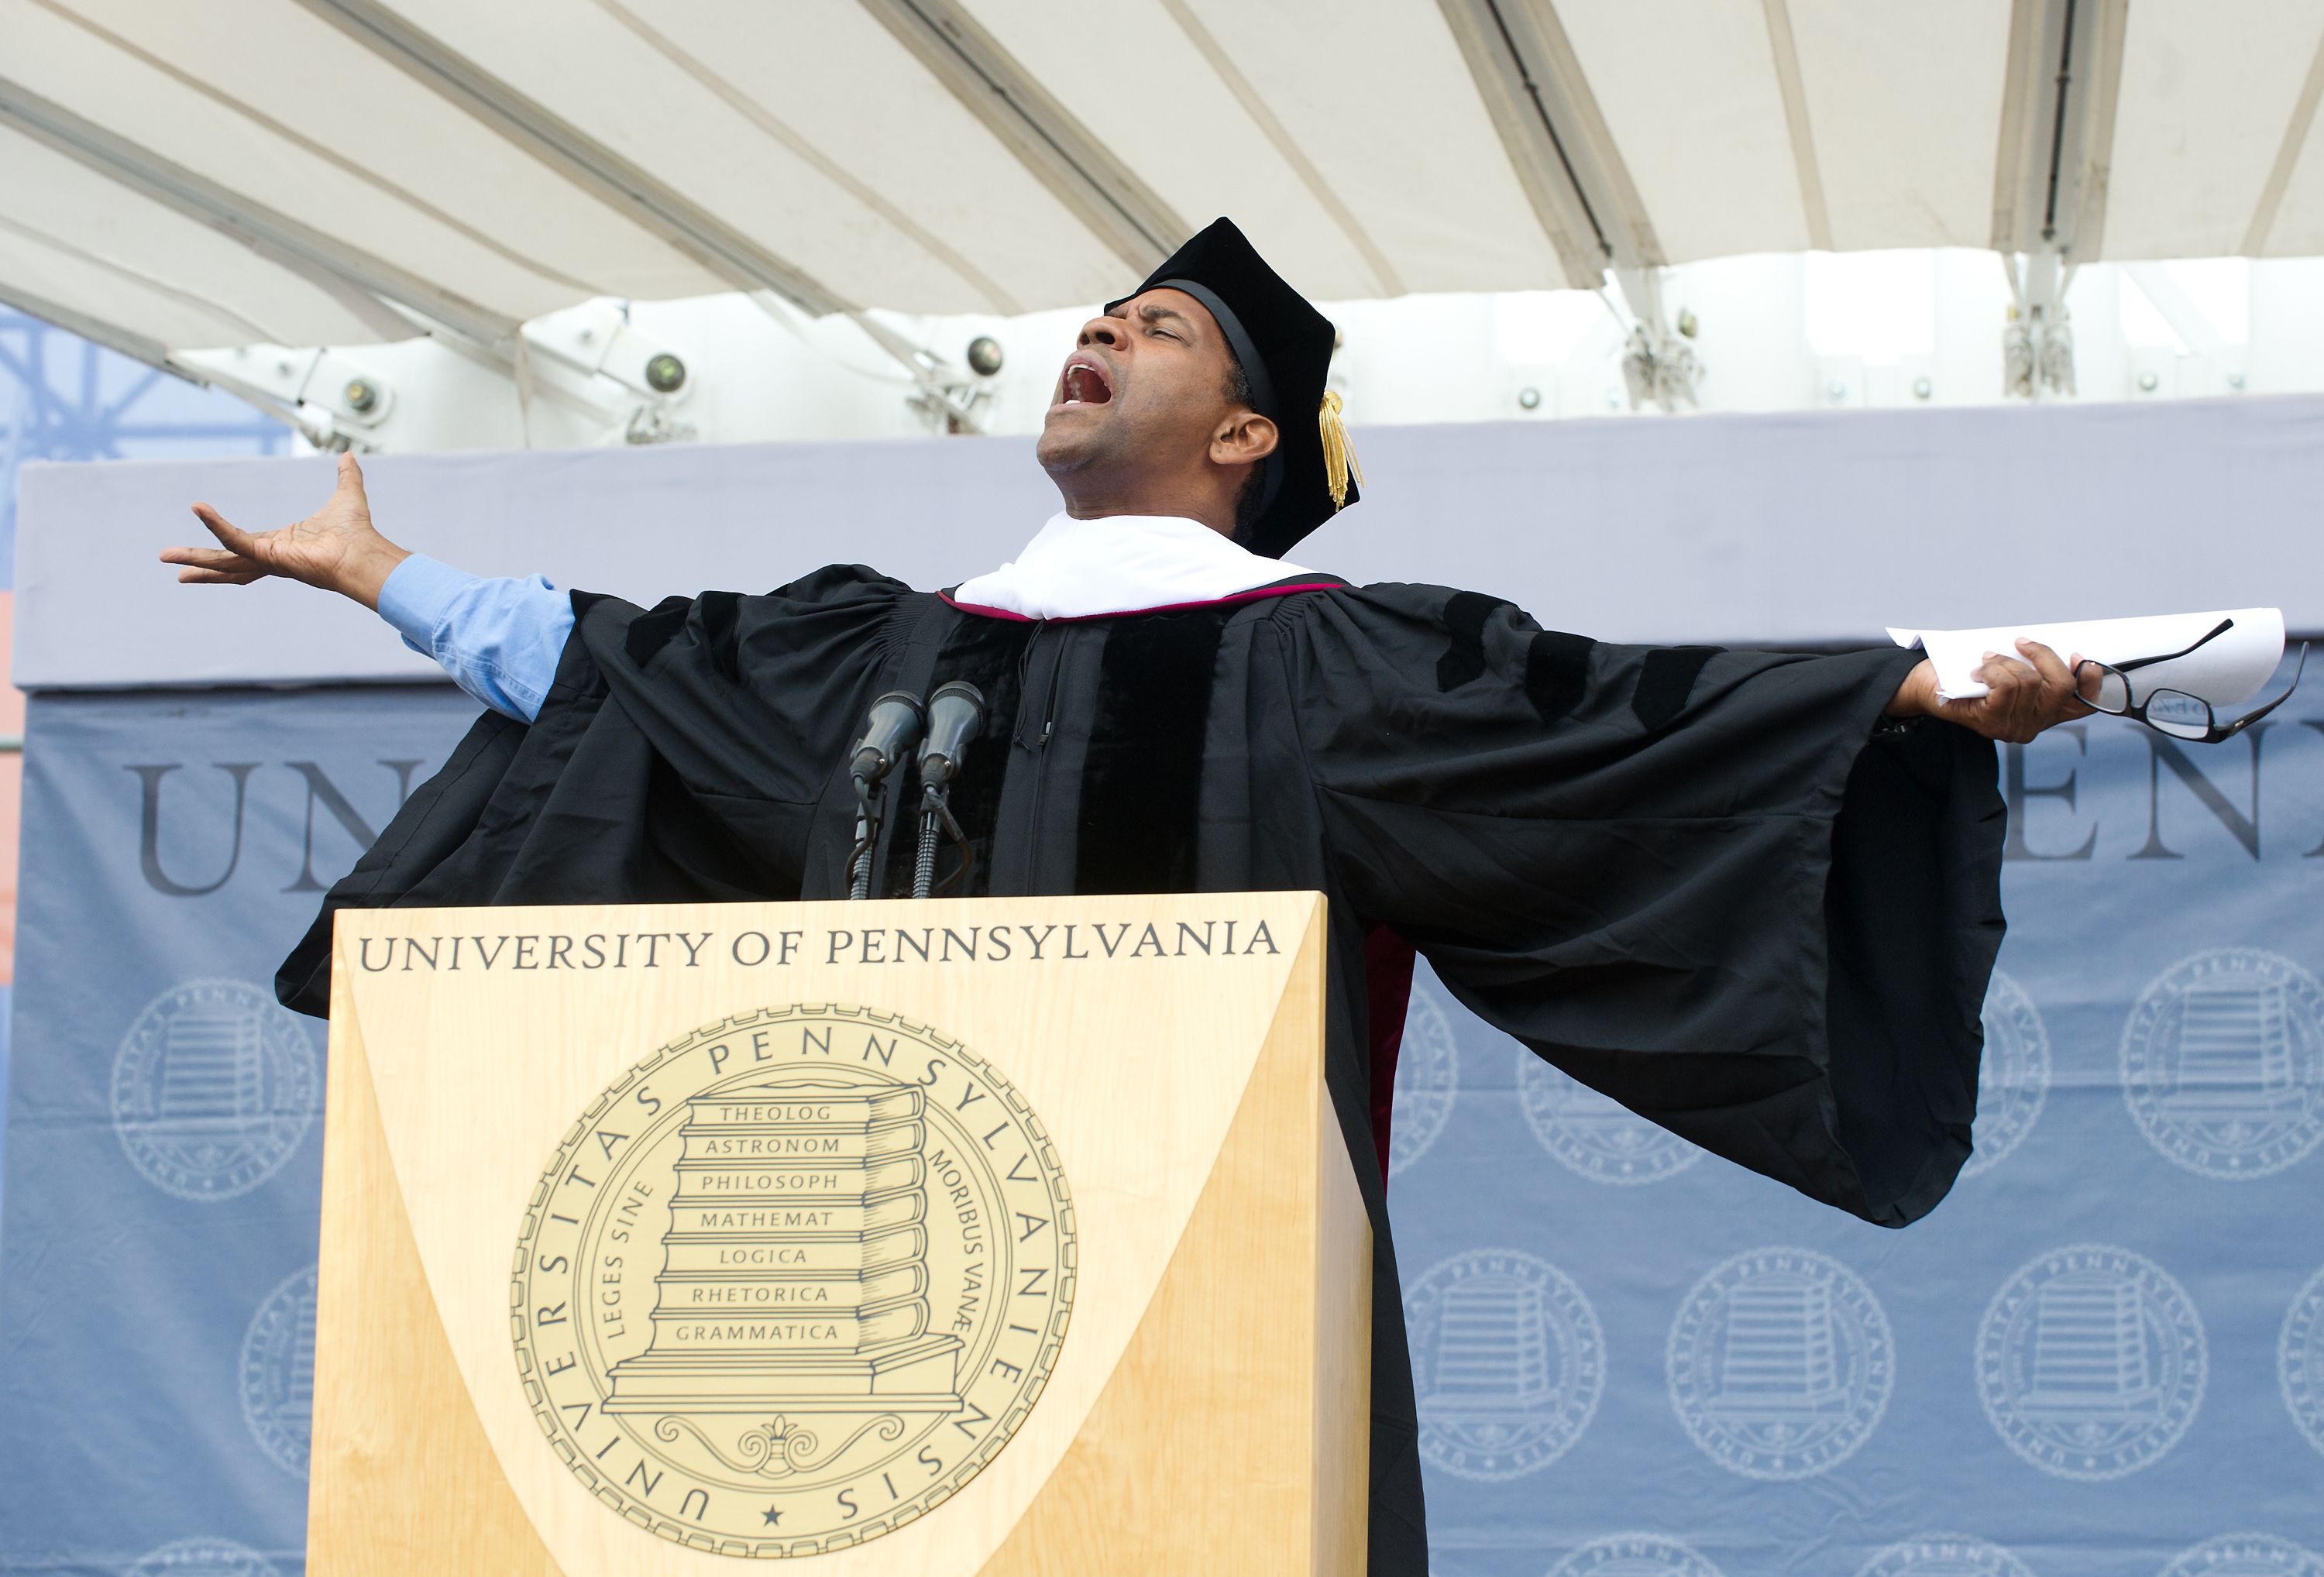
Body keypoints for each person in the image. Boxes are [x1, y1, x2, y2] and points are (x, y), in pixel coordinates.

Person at [163, 218, 2091, 1572]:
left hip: (1210, 1307)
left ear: (1249, 435)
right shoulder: (887, 654)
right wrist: (377, 570)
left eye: (1156, 328)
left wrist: (1917, 690)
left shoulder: (1336, 665)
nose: (1096, 335)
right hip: (867, 1339)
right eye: (1095, 316)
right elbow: (618, 678)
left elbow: (1625, 729)